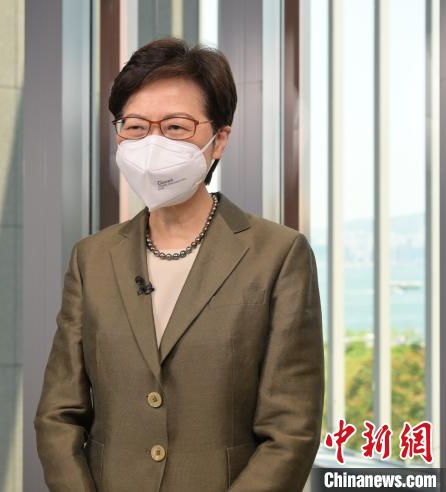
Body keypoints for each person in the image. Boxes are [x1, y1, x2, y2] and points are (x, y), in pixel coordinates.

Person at [34, 37, 324, 491]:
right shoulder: (92, 257)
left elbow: (291, 431)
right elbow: (58, 414)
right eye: (135, 126)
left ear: (219, 139)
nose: (151, 144)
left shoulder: (278, 255)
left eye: (175, 127)